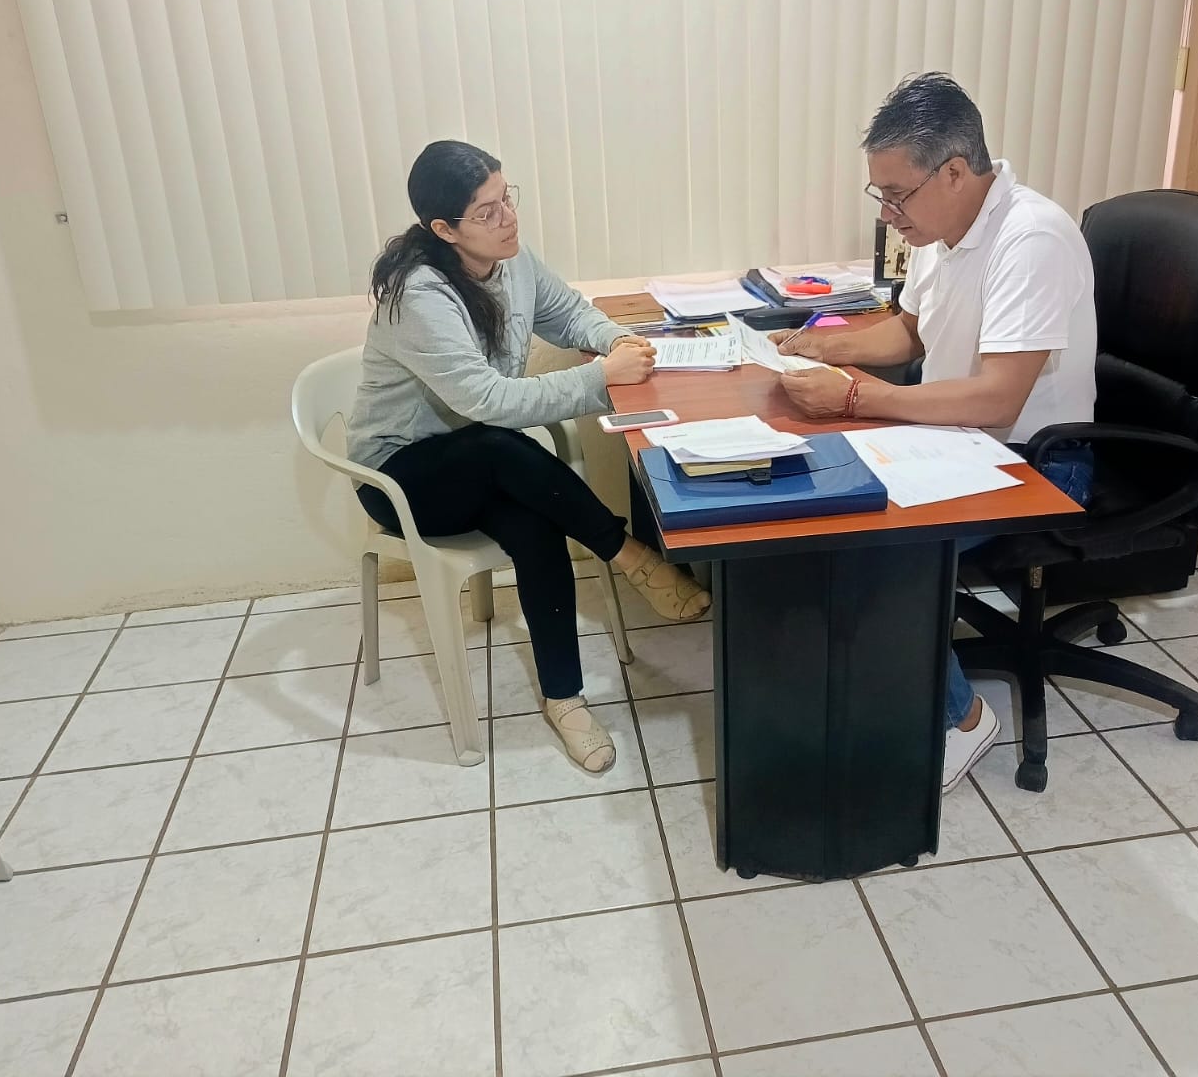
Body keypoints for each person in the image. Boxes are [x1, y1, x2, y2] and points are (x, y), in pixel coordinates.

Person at [773, 73, 1097, 794]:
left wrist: (858, 398)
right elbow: (911, 332)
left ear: (954, 172)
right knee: (822, 504)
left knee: (879, 547)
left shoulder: (1031, 238)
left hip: (1036, 461)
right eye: (880, 194)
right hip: (958, 441)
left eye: (897, 195)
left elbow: (1000, 398)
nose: (887, 213)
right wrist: (823, 346)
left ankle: (962, 719)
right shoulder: (940, 230)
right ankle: (883, 679)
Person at [347, 140, 710, 775]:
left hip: (485, 462)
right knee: (497, 442)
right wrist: (601, 379)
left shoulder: (508, 259)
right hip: (402, 478)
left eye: (506, 198)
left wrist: (617, 342)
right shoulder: (419, 296)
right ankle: (630, 555)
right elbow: (488, 402)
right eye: (486, 211)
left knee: (537, 527)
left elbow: (567, 313)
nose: (508, 218)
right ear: (444, 229)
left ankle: (564, 699)